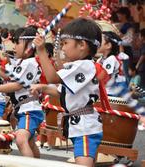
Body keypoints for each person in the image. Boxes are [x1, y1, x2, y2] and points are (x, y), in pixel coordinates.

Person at [31, 18, 103, 167]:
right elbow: (61, 92)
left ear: (82, 45)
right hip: (81, 124)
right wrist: (42, 88)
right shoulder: (81, 65)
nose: (63, 48)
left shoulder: (84, 65)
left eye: (65, 43)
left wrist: (42, 50)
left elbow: (52, 77)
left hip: (85, 127)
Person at [0, 26, 44, 158]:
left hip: (29, 109)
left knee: (21, 140)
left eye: (17, 42)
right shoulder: (23, 62)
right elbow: (6, 76)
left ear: (29, 46)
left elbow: (16, 85)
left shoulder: (30, 63)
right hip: (24, 108)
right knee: (30, 143)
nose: (14, 46)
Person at [97, 31, 127, 96]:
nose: (97, 42)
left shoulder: (111, 59)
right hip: (104, 91)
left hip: (111, 93)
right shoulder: (100, 59)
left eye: (100, 40)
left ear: (108, 45)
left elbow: (105, 76)